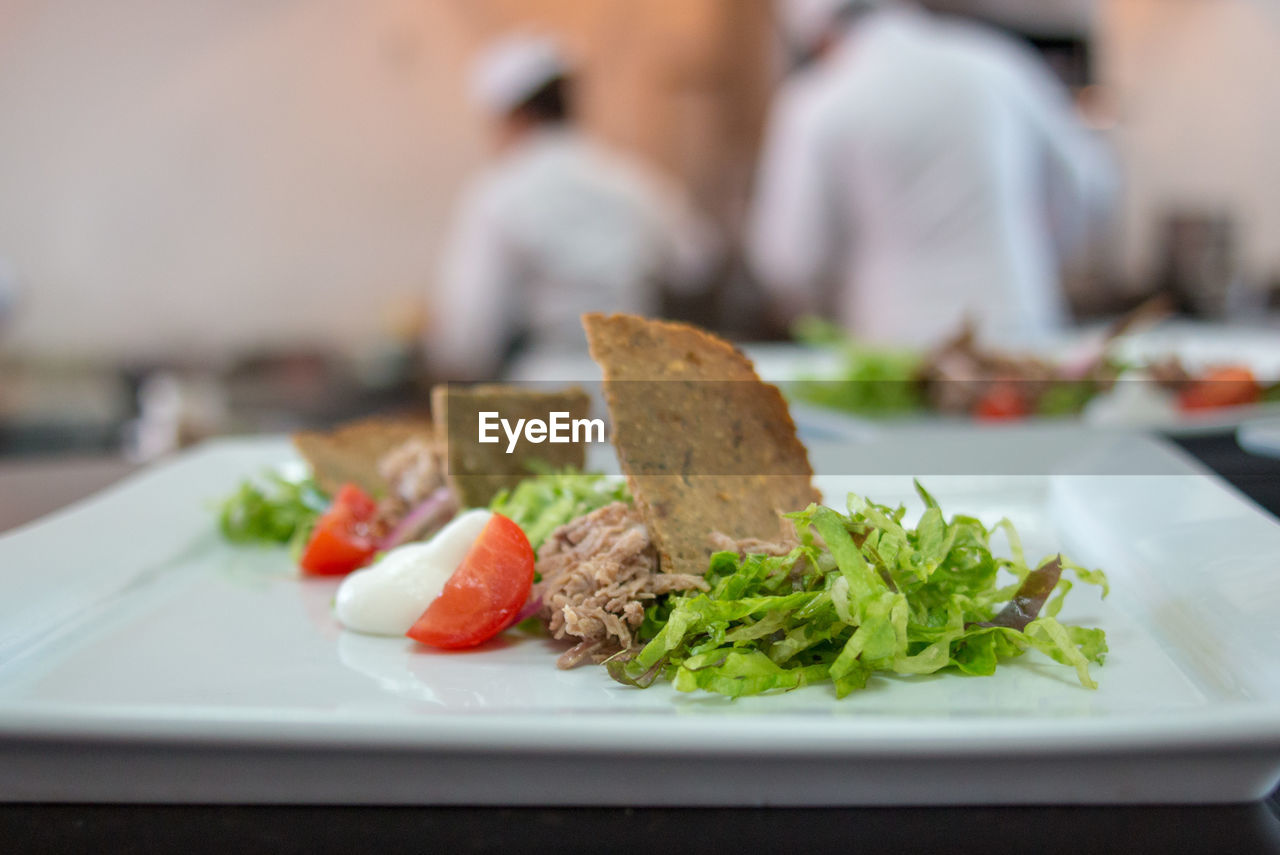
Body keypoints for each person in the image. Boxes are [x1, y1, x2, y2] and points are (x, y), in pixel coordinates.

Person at [747, 0, 1115, 347]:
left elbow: (789, 260)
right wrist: (1036, 257)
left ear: (816, 34)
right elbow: (1090, 185)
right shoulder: (997, 62)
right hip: (1021, 327)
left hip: (896, 343)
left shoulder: (819, 99)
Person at [430, 33, 720, 379]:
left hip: (541, 395)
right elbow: (698, 263)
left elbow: (466, 336)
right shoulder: (629, 179)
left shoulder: (498, 194)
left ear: (513, 116)